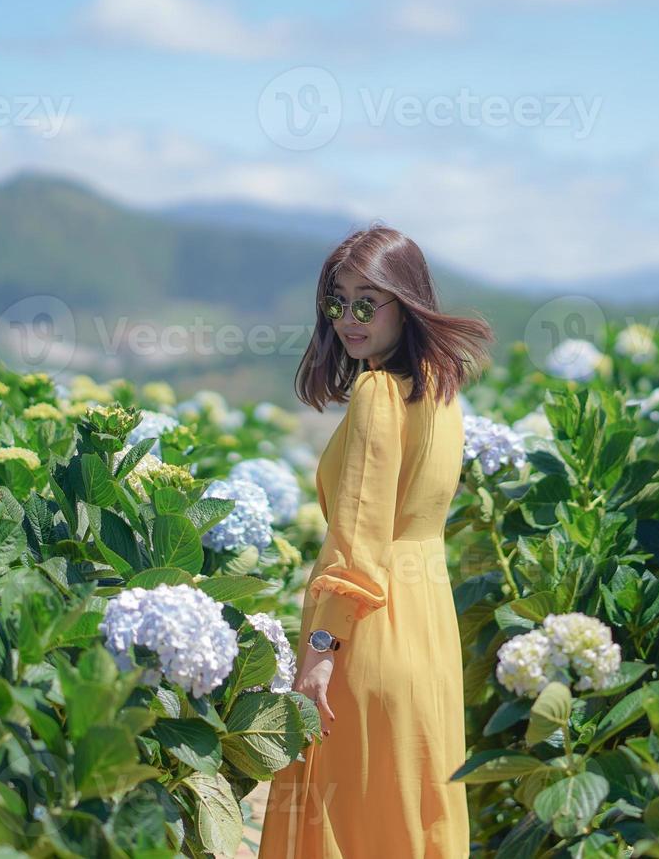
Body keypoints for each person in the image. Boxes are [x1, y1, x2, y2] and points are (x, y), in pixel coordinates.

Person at [258, 223, 495, 859]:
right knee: (411, 823)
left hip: (365, 635)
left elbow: (359, 536)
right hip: (427, 631)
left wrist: (321, 648)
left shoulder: (377, 393)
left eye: (368, 302)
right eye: (337, 301)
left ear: (405, 302)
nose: (348, 319)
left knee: (346, 825)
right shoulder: (442, 393)